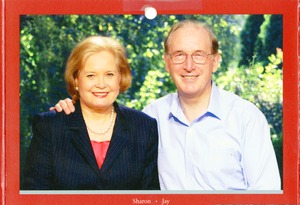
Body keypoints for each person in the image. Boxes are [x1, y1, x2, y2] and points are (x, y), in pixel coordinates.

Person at [51, 20, 281, 190]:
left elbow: (267, 198)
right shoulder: (149, 119)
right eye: (179, 55)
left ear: (215, 61)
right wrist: (72, 109)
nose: (189, 65)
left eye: (199, 55)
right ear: (167, 63)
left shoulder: (246, 118)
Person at [23, 36, 160, 190]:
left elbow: (150, 200)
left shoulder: (144, 127)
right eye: (91, 75)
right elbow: (34, 198)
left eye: (109, 74)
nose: (101, 84)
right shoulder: (50, 127)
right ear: (76, 79)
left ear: (120, 78)